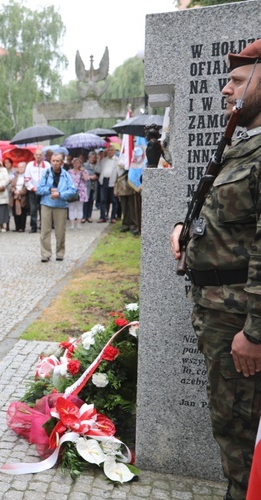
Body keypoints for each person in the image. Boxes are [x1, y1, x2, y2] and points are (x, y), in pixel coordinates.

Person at [169, 40, 261, 500]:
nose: (226, 90)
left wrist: (256, 332)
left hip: (240, 316)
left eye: (238, 81)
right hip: (218, 309)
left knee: (239, 428)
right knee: (230, 423)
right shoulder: (242, 146)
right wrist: (184, 227)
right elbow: (228, 215)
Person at [37, 153, 76, 262]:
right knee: (45, 230)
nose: (55, 163)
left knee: (60, 231)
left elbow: (72, 191)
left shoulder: (66, 175)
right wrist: (49, 190)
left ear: (62, 163)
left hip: (61, 205)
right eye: (53, 161)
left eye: (57, 161)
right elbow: (39, 189)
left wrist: (60, 194)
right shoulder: (46, 173)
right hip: (46, 204)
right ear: (50, 162)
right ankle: (45, 253)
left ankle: (60, 253)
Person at [24, 148, 50, 233]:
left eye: (40, 155)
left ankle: (43, 226)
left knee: (43, 209)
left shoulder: (47, 165)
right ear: (34, 155)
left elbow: (49, 178)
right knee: (33, 209)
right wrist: (33, 188)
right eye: (37, 155)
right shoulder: (29, 165)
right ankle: (33, 226)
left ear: (42, 156)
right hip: (32, 191)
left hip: (44, 191)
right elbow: (27, 178)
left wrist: (44, 189)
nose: (38, 156)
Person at [96, 144, 118, 223]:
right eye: (108, 150)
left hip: (113, 181)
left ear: (114, 151)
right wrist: (98, 161)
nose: (110, 152)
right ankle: (102, 216)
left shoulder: (117, 160)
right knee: (103, 199)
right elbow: (98, 170)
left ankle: (113, 217)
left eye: (112, 150)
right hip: (104, 181)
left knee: (114, 200)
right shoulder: (104, 160)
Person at [67, 157, 90, 230]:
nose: (76, 164)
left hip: (81, 192)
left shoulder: (84, 171)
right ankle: (72, 224)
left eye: (78, 163)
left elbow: (86, 179)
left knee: (80, 208)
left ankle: (79, 224)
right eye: (74, 163)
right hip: (72, 191)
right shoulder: (69, 172)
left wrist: (83, 172)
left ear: (80, 164)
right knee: (71, 208)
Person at [9, 161, 28, 232]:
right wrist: (14, 191)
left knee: (23, 211)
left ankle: (22, 227)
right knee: (15, 211)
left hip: (23, 196)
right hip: (15, 195)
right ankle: (17, 226)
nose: (20, 169)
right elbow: (12, 185)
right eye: (19, 167)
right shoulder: (15, 175)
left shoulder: (26, 176)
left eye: (22, 167)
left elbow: (26, 186)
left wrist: (20, 192)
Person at [82, 151, 98, 223]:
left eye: (94, 158)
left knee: (91, 200)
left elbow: (100, 173)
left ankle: (89, 216)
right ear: (88, 158)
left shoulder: (97, 165)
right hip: (86, 185)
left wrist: (96, 176)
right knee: (85, 201)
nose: (92, 159)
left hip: (94, 185)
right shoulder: (85, 165)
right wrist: (90, 177)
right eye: (91, 157)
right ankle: (84, 216)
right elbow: (81, 175)